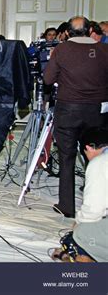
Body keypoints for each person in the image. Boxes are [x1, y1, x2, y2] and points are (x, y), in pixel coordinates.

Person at [44, 16, 108, 218]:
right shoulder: (104, 50)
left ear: (67, 33)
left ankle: (67, 206)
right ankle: (97, 204)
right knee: (97, 158)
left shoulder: (62, 50)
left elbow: (48, 79)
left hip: (69, 109)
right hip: (97, 111)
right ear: (90, 30)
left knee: (66, 156)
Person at [51, 127, 108, 262]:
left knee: (82, 234)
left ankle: (84, 256)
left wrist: (78, 223)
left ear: (89, 148)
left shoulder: (100, 162)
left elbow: (93, 210)